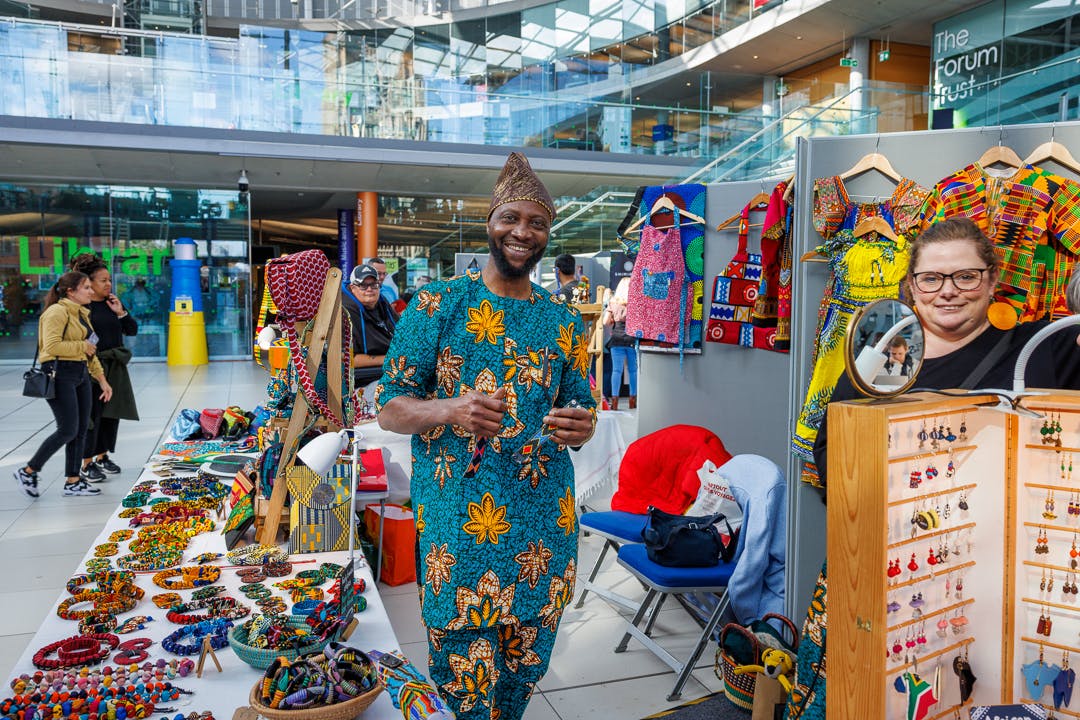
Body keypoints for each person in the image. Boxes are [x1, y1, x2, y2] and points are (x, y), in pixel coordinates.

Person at [787, 216, 1080, 719]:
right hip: (886, 564)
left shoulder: (1039, 351)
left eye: (965, 277)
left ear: (991, 280)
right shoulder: (877, 362)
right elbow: (832, 453)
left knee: (975, 693)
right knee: (860, 696)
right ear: (912, 285)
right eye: (932, 279)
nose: (948, 292)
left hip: (993, 575)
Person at [375, 151, 597, 720]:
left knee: (525, 669)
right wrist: (450, 409)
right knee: (465, 681)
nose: (523, 233)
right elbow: (389, 409)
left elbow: (581, 408)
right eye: (511, 219)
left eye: (537, 223)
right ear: (490, 223)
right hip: (460, 528)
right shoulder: (436, 305)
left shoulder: (563, 321)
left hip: (543, 524)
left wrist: (581, 426)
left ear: (548, 235)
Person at [14, 271, 113, 499]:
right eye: (86, 287)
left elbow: (91, 350)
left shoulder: (82, 314)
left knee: (80, 430)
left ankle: (73, 481)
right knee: (67, 429)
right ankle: (28, 471)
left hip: (79, 373)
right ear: (71, 291)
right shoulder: (56, 313)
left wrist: (102, 379)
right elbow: (51, 347)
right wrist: (82, 347)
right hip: (59, 373)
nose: (91, 291)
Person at [70, 254, 138, 481]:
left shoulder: (112, 302)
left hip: (115, 367)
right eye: (103, 280)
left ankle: (102, 456)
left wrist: (120, 312)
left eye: (109, 280)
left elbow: (132, 330)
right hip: (92, 367)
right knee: (93, 415)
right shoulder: (82, 307)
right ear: (88, 283)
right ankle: (86, 462)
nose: (108, 284)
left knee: (112, 414)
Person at [343, 262, 399, 389]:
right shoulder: (344, 312)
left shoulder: (382, 302)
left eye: (374, 285)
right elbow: (345, 358)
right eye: (363, 285)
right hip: (362, 382)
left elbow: (403, 329)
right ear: (353, 288)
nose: (369, 289)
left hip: (391, 371)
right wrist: (392, 359)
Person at [602, 277, 637, 410]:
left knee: (616, 371)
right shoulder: (635, 303)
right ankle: (632, 401)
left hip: (616, 339)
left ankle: (615, 402)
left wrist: (613, 319)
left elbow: (605, 322)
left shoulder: (613, 303)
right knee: (633, 371)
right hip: (632, 340)